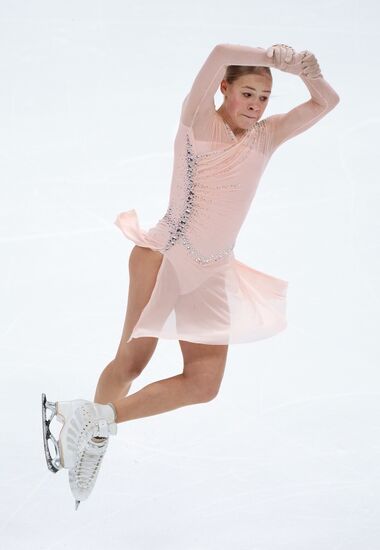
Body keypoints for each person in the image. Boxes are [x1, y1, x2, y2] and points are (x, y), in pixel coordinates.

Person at [41, 43, 340, 509]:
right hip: (164, 257)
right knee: (132, 364)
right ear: (224, 88)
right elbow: (221, 50)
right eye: (247, 93)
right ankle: (89, 444)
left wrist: (309, 73)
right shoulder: (198, 121)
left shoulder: (266, 136)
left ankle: (92, 421)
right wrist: (273, 55)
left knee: (204, 384)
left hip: (212, 271)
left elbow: (327, 102)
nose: (256, 106)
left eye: (264, 97)